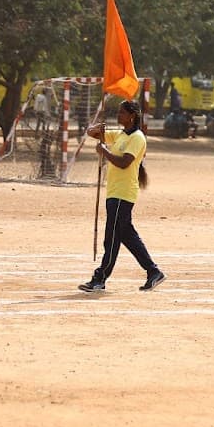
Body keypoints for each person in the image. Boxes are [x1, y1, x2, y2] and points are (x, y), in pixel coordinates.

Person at [79, 100, 165, 292]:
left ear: (131, 116)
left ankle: (100, 278)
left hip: (123, 193)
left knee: (112, 237)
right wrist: (95, 128)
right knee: (126, 234)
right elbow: (92, 133)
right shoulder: (119, 135)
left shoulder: (137, 138)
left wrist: (105, 152)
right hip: (114, 192)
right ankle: (153, 271)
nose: (118, 116)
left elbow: (125, 162)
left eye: (122, 113)